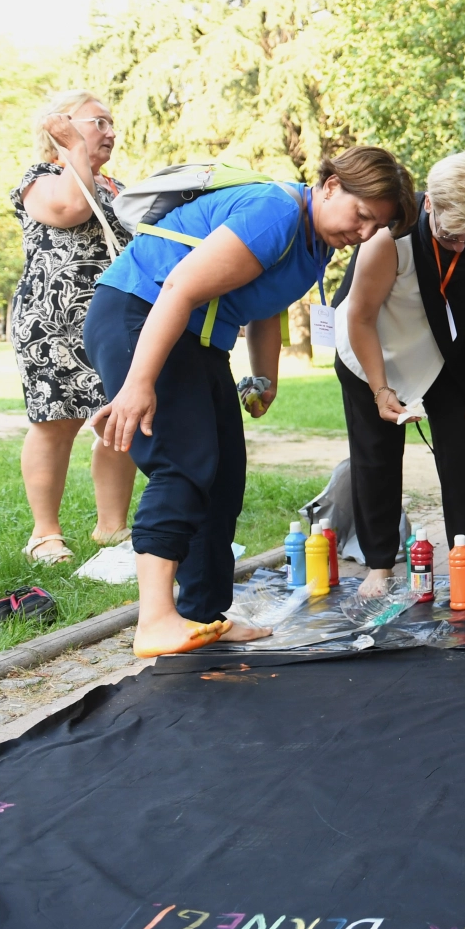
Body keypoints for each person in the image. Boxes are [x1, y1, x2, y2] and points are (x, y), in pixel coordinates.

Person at [85, 146, 417, 657]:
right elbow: (178, 287)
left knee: (223, 478)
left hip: (198, 340)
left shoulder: (316, 242)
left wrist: (264, 378)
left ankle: (203, 615)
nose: (365, 233)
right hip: (142, 315)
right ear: (330, 186)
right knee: (182, 464)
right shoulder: (276, 211)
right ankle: (154, 620)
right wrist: (138, 383)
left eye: (377, 227)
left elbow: (266, 308)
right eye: (362, 216)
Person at [335, 151, 465, 597]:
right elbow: (360, 319)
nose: (461, 248)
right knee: (376, 453)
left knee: (462, 446)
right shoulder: (388, 237)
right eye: (452, 238)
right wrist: (380, 390)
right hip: (372, 348)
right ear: (429, 203)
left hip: (440, 348)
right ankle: (378, 563)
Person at [9, 92, 140, 563]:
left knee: (118, 420)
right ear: (60, 126)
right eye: (99, 121)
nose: (111, 131)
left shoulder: (118, 186)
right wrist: (74, 153)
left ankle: (112, 527)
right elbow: (69, 210)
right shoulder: (40, 178)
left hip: (114, 319)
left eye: (112, 123)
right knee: (55, 422)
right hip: (53, 322)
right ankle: (45, 534)